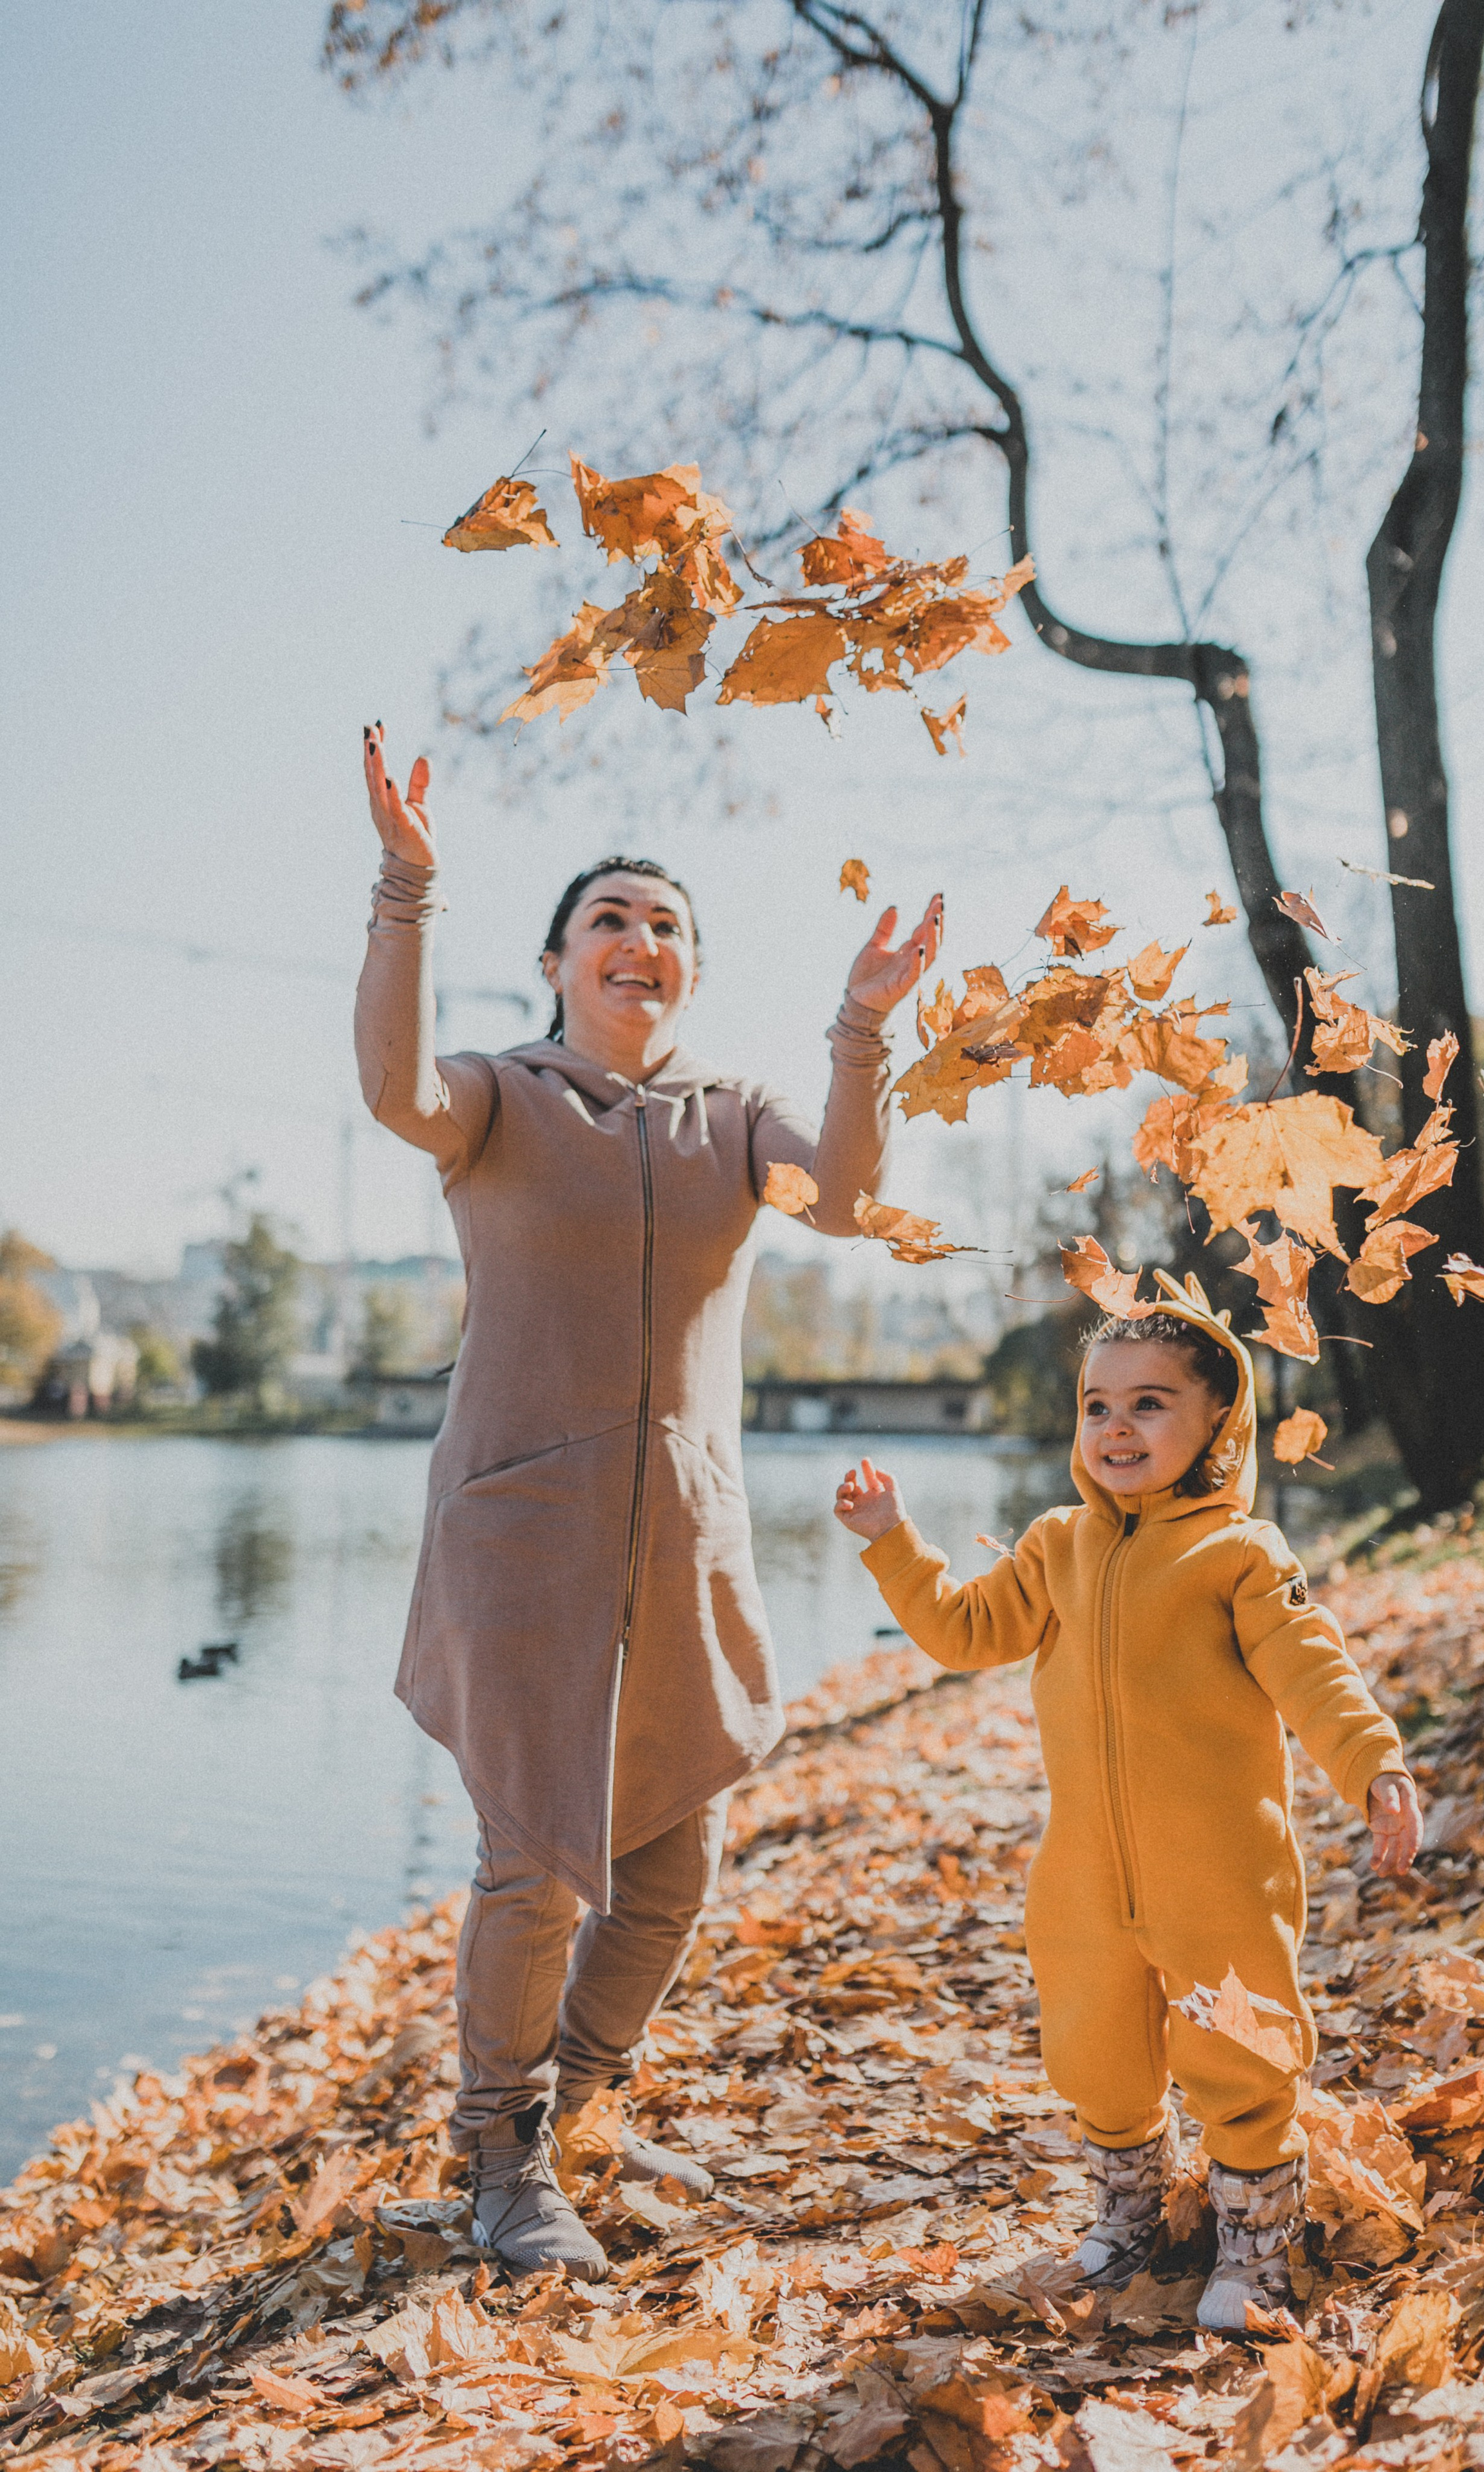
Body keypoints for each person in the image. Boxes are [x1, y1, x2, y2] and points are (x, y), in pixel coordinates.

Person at [355, 724, 941, 2277]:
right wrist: (405, 889)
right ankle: (500, 2157)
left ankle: (581, 2103)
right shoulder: (494, 1096)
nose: (641, 938)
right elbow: (392, 1091)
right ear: (557, 959)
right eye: (610, 916)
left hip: (683, 1530)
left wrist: (859, 1029)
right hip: (516, 1531)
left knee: (673, 1857)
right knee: (538, 1857)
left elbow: (853, 1200)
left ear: (685, 971)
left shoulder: (731, 1117)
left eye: (666, 923)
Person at [833, 1275, 1423, 2330]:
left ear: (1217, 1426)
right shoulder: (1056, 1545)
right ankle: (1129, 2209)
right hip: (1085, 1876)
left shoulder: (1240, 1556)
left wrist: (1374, 1764)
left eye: (1151, 1402)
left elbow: (1313, 1672)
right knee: (1098, 2054)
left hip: (1220, 1878)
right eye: (1097, 1404)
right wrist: (894, 1541)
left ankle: (1255, 2248)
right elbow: (967, 1632)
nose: (1116, 1425)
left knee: (1239, 2055)